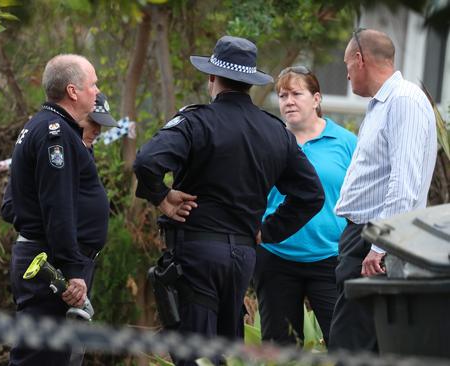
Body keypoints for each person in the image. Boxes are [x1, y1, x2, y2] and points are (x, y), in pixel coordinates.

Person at [133, 36, 325, 366]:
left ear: (212, 78)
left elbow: (147, 162)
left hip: (198, 254)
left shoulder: (196, 121)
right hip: (243, 257)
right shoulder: (275, 131)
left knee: (193, 354)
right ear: (249, 82)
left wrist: (162, 198)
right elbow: (311, 195)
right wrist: (269, 230)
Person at [329, 29, 437, 352]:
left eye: (347, 66)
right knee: (364, 344)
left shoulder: (403, 100)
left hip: (376, 240)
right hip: (365, 238)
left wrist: (379, 245)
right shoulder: (380, 105)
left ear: (360, 60)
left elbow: (404, 183)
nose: (347, 75)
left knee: (351, 345)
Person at [4, 54, 108, 366]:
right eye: (93, 84)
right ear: (73, 91)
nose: (98, 91)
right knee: (41, 358)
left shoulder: (48, 127)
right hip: (51, 265)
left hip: (53, 258)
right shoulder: (55, 134)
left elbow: (13, 203)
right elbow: (58, 207)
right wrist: (73, 270)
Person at [253, 66, 356, 347]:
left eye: (297, 93)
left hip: (330, 258)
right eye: (282, 95)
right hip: (275, 258)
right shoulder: (267, 141)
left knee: (343, 345)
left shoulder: (346, 143)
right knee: (280, 348)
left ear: (317, 98)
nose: (288, 101)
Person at [1, 92, 118, 224]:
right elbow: (9, 207)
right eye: (92, 122)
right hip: (47, 242)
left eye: (101, 124)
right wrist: (57, 218)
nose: (98, 131)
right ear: (74, 115)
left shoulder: (84, 149)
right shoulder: (49, 146)